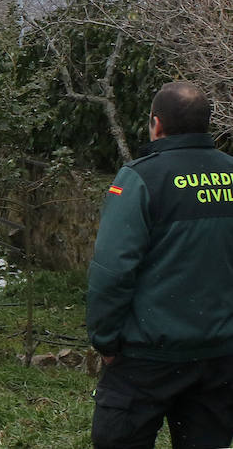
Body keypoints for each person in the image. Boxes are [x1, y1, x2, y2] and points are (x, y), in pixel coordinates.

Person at [87, 81, 233, 448]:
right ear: (207, 124)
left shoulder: (141, 178)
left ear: (156, 124)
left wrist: (105, 339)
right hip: (219, 357)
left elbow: (112, 270)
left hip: (146, 357)